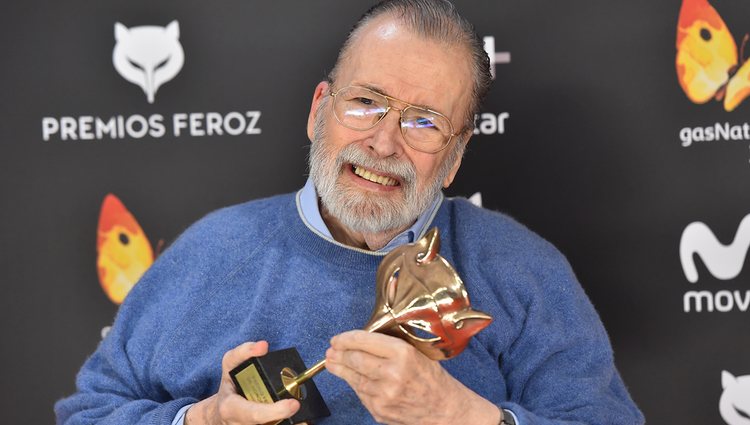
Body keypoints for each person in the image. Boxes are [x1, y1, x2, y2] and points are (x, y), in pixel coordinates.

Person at [55, 1, 645, 424]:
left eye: (423, 120)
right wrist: (199, 421)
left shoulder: (522, 268)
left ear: (455, 156)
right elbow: (89, 412)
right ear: (320, 111)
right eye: (365, 103)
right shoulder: (211, 251)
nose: (384, 143)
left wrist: (465, 417)